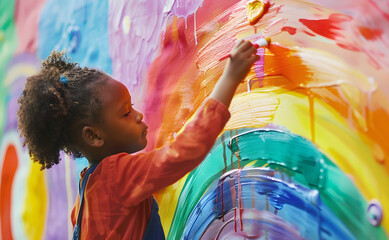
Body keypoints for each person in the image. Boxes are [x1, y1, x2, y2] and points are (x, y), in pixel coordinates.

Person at [17, 39, 260, 239]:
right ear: (93, 135)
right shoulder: (117, 176)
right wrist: (230, 77)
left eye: (132, 106)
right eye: (125, 112)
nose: (138, 115)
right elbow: (183, 153)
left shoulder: (85, 199)